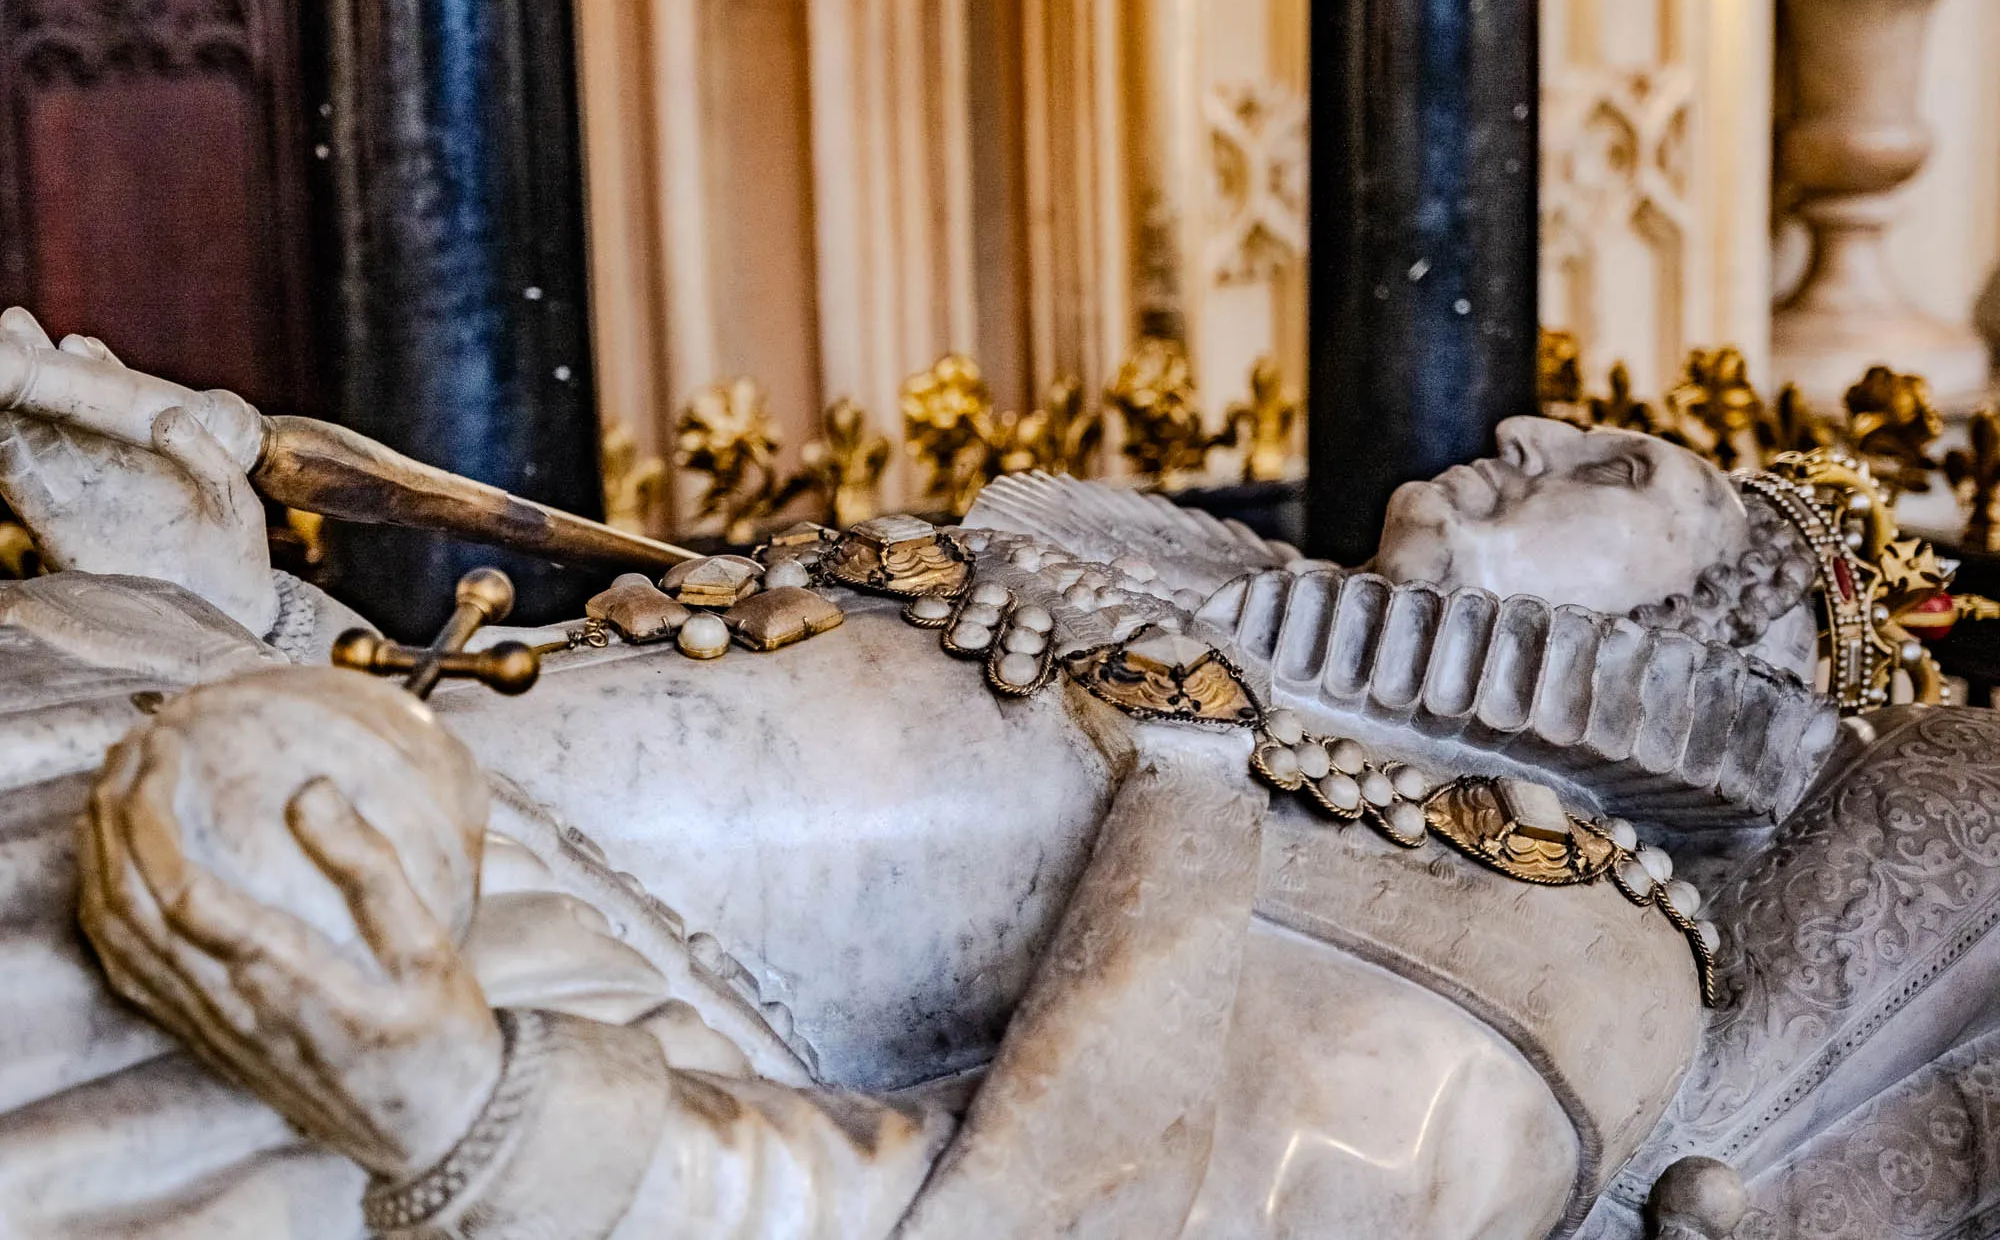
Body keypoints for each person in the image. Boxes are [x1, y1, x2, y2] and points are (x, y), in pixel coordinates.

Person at [0, 306, 1984, 1237]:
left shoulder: (1557, 938)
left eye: (1627, 478)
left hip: (324, 1051)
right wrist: (207, 579)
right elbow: (632, 748)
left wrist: (457, 1096)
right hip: (239, 812)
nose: (1544, 424)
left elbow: (1041, 1221)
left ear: (1722, 655)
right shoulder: (1212, 610)